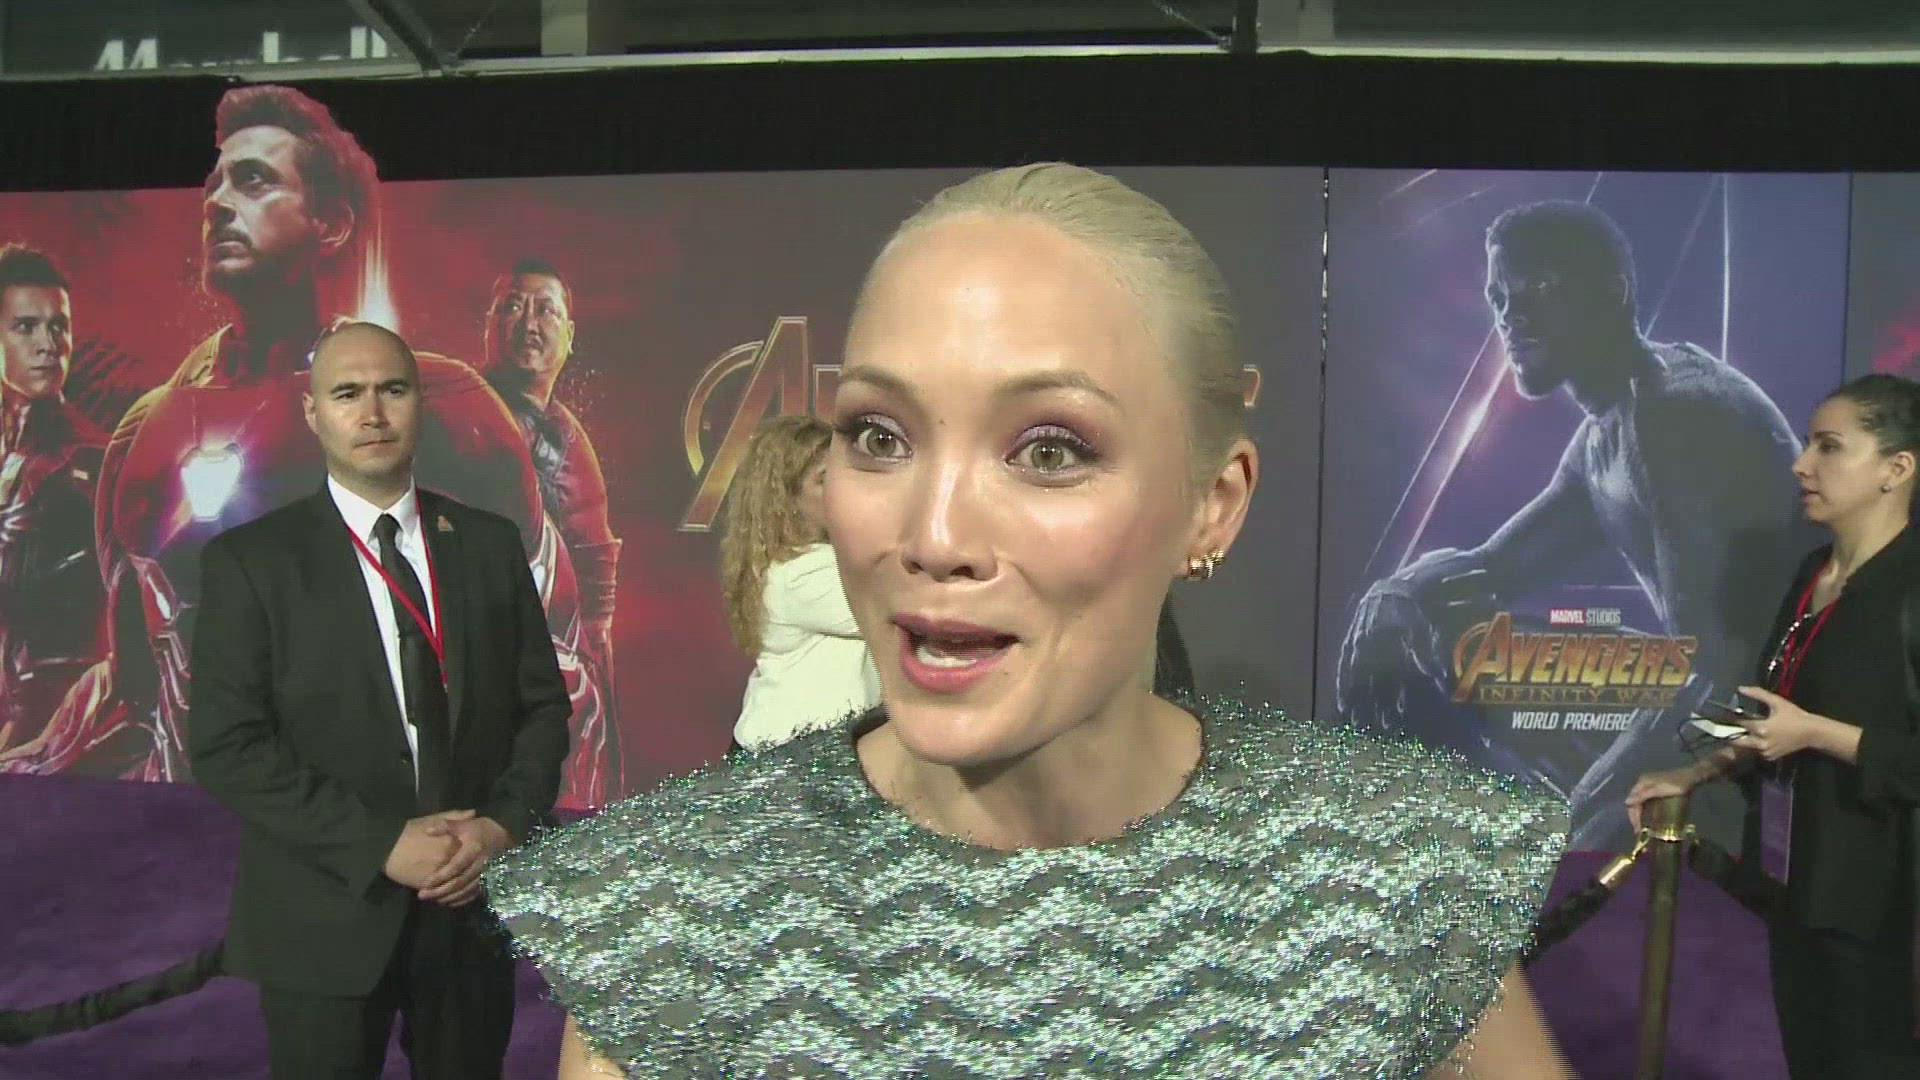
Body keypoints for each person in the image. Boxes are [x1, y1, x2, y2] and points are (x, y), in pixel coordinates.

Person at [487, 164, 1572, 1078]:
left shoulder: (1398, 879)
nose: (933, 534)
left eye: (1049, 450)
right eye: (879, 437)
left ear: (1213, 504)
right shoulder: (676, 914)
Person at [4, 86, 607, 809]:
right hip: (222, 831)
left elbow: (557, 662)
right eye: (214, 184)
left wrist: (507, 829)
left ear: (331, 223)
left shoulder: (446, 408)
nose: (218, 203)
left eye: (254, 181)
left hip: (405, 822)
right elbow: (133, 693)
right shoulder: (145, 431)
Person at [1338, 199, 1804, 848]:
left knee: (1573, 853)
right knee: (1441, 625)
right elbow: (1489, 569)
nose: (1512, 316)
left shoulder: (1677, 415)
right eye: (1501, 298)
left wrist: (1585, 810)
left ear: (1612, 292)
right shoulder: (1606, 433)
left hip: (1758, 740)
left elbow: (1720, 671)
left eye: (1539, 289)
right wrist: (1393, 595)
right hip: (1710, 712)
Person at [187, 321, 571, 1079]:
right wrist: (381, 844)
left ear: (420, 402)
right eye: (347, 394)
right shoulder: (250, 561)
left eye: (392, 390)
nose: (372, 413)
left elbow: (542, 709)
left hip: (467, 907)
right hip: (323, 913)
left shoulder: (489, 544)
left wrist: (500, 827)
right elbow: (228, 746)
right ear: (313, 412)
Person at [1627, 373, 1920, 1077]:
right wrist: (1695, 772)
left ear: (1897, 468)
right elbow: (1772, 713)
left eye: (1829, 447)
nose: (1801, 464)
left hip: (1883, 910)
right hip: (1796, 888)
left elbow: (1811, 729)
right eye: (1807, 445)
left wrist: (1818, 734)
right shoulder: (1812, 572)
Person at [481, 256, 623, 798]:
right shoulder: (457, 413)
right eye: (512, 307)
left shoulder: (569, 438)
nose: (529, 323)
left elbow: (595, 587)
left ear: (569, 334)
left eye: (546, 310)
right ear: (489, 325)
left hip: (559, 679)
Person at [0, 244, 106, 758]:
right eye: (26, 327)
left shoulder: (94, 460)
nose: (49, 345)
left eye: (59, 326)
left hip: (52, 726)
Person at [720, 414, 879, 751]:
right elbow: (902, 610)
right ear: (787, 501)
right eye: (824, 479)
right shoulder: (803, 572)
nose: (844, 489)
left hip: (800, 752)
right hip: (788, 759)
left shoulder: (796, 561)